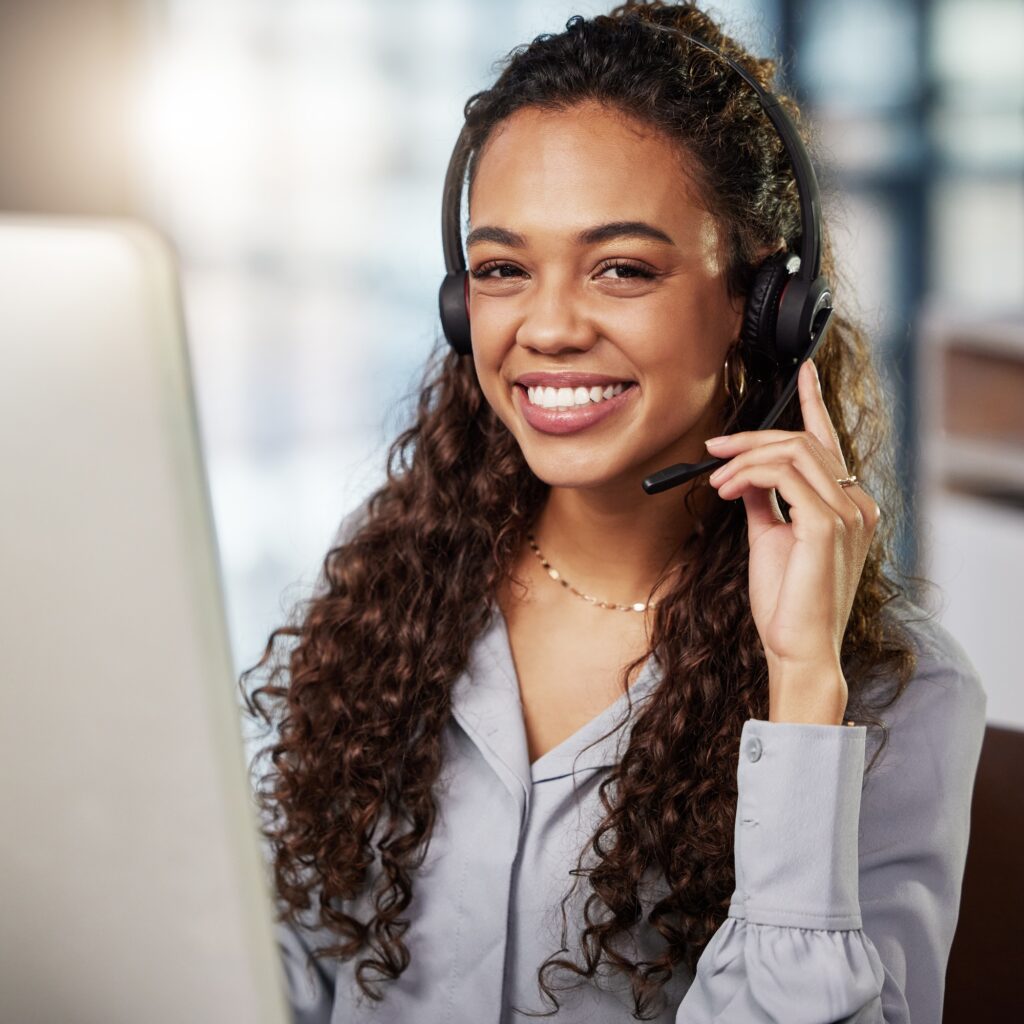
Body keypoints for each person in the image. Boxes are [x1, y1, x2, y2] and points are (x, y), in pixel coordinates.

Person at [242, 3, 986, 1021]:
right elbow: (276, 960)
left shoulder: (895, 690)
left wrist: (801, 689)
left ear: (758, 299)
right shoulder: (394, 581)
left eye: (622, 268)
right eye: (503, 269)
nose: (545, 327)